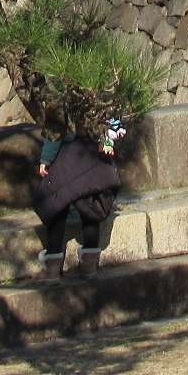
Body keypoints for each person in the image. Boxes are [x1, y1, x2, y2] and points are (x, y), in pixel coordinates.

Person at [33, 117, 124, 278]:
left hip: (66, 155)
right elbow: (112, 121)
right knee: (90, 205)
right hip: (92, 153)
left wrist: (45, 159)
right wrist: (108, 143)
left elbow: (55, 127)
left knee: (58, 205)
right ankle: (89, 262)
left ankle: (53, 263)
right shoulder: (103, 96)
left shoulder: (61, 95)